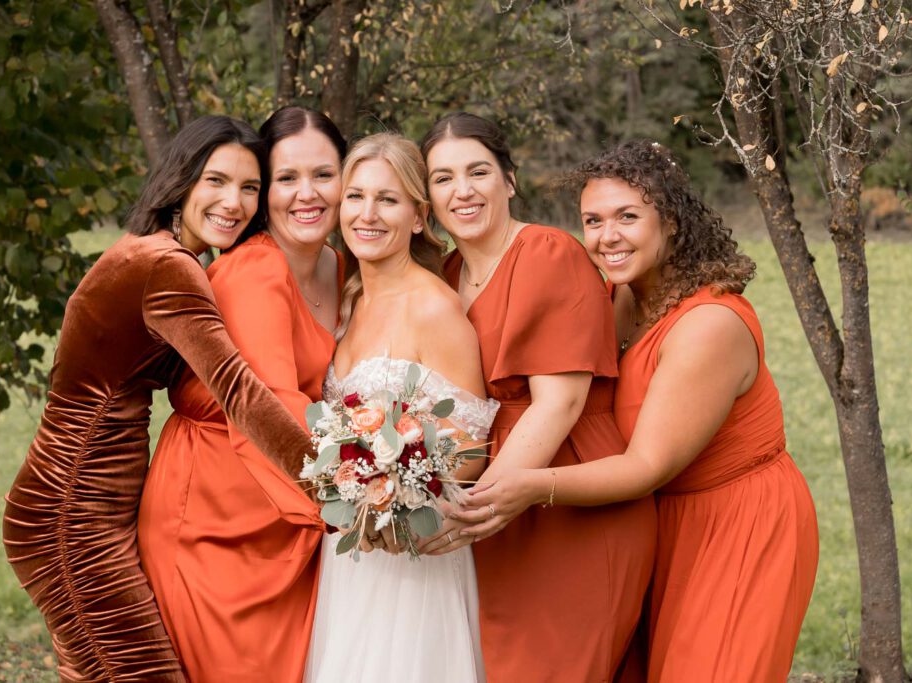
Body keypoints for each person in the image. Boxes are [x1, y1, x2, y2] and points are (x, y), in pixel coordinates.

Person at [459, 140, 819, 682]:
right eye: (593, 220)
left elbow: (647, 464)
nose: (607, 236)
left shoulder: (709, 325)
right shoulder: (614, 295)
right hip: (654, 520)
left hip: (735, 523)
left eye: (628, 216)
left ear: (670, 220)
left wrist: (530, 485)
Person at [1, 115, 316, 682]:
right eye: (216, 181)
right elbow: (240, 392)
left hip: (88, 506)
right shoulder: (166, 268)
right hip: (70, 515)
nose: (235, 202)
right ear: (182, 181)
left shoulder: (152, 255)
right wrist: (332, 483)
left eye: (250, 188)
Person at [416, 113, 657, 682]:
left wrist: (478, 509)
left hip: (564, 494)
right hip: (497, 502)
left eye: (478, 172)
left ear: (510, 180)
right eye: (444, 178)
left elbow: (560, 404)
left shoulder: (547, 253)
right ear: (426, 198)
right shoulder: (445, 274)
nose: (464, 190)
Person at [138, 106, 346, 682]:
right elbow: (269, 403)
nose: (307, 194)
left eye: (324, 175)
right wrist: (356, 496)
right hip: (214, 517)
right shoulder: (256, 270)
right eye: (285, 179)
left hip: (288, 515)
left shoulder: (346, 265)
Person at [303, 133, 499, 683]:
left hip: (413, 555)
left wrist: (388, 487)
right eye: (356, 196)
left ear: (417, 217)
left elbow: (472, 448)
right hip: (352, 552)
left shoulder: (434, 308)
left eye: (387, 200)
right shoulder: (352, 299)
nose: (367, 213)